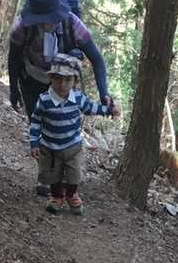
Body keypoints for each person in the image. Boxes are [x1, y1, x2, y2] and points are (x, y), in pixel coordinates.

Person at [8, 0, 113, 125]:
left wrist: (104, 92)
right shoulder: (21, 27)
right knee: (35, 121)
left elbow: (97, 60)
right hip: (31, 80)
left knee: (60, 125)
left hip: (62, 83)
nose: (46, 24)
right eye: (40, 20)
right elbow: (13, 59)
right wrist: (14, 90)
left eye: (49, 19)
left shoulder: (73, 24)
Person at [29, 54, 119, 217]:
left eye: (68, 80)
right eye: (58, 79)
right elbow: (36, 121)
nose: (62, 84)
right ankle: (57, 196)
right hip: (50, 147)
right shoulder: (44, 100)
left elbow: (91, 108)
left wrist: (109, 110)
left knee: (74, 174)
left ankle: (71, 194)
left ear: (75, 81)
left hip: (73, 146)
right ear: (51, 78)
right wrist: (34, 143)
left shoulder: (77, 98)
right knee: (53, 175)